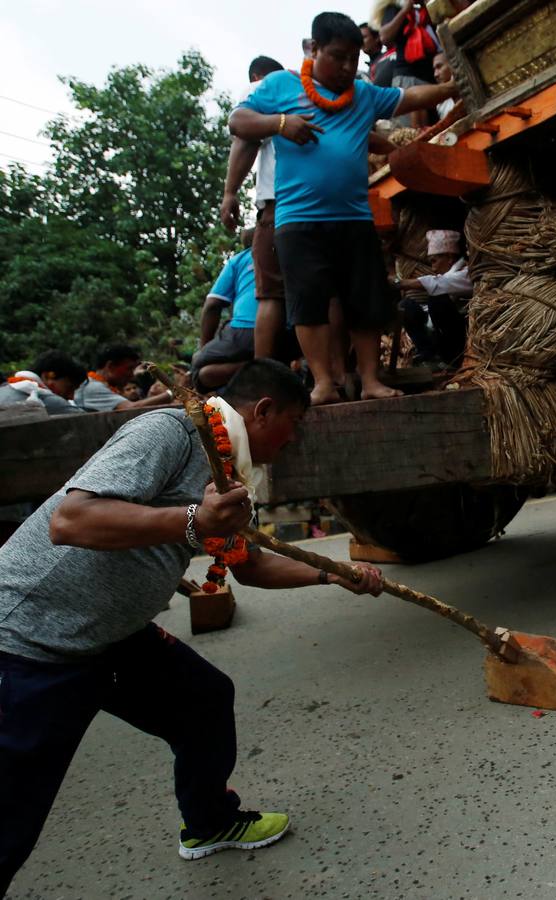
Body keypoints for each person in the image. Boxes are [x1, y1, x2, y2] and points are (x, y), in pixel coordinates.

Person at [0, 360, 386, 892]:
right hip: (32, 641)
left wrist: (333, 574)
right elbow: (72, 521)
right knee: (11, 817)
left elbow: (249, 567)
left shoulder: (230, 478)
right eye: (294, 422)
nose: (294, 438)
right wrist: (192, 521)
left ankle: (209, 824)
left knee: (202, 701)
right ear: (264, 410)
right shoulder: (171, 430)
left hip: (113, 635)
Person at [229, 12, 457, 405]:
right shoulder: (281, 85)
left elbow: (408, 97)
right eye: (338, 57)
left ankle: (369, 380)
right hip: (298, 221)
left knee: (363, 302)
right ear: (313, 49)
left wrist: (453, 87)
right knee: (309, 304)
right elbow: (238, 121)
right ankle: (322, 383)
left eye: (354, 58)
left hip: (354, 218)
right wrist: (281, 123)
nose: (348, 66)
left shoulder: (363, 94)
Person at [221, 55, 289, 363]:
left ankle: (264, 376)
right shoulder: (305, 93)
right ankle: (333, 377)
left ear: (256, 77)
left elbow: (244, 138)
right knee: (323, 294)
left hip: (279, 206)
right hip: (322, 203)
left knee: (269, 295)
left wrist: (230, 192)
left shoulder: (262, 91)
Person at [192, 230, 260, 391]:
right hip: (294, 330)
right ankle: (268, 362)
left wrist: (204, 350)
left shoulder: (240, 260)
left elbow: (212, 305)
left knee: (198, 367)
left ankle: (260, 364)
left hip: (247, 329)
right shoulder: (290, 249)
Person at [396, 228, 471, 367]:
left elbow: (438, 283)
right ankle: (429, 356)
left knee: (438, 301)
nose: (433, 268)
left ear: (449, 258)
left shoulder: (465, 273)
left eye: (434, 261)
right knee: (407, 306)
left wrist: (399, 283)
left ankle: (452, 359)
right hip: (439, 332)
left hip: (460, 334)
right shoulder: (446, 276)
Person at [74, 346, 177, 412]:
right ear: (111, 366)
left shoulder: (102, 385)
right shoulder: (93, 387)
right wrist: (174, 392)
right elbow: (131, 408)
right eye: (129, 369)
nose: (132, 375)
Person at [0, 351, 86, 416]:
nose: (71, 396)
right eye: (69, 388)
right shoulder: (46, 400)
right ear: (47, 376)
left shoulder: (3, 389)